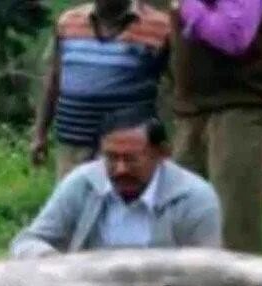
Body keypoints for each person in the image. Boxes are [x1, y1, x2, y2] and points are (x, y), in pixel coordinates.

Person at [10, 107, 221, 258]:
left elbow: (209, 269)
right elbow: (26, 243)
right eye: (111, 158)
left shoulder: (195, 197)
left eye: (131, 159)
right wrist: (54, 261)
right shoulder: (83, 183)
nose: (120, 169)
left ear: (163, 153)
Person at [168, 0, 262, 256]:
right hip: (191, 112)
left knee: (234, 234)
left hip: (239, 110)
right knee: (179, 227)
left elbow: (233, 36)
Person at [30, 0, 172, 180]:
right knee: (76, 203)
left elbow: (176, 87)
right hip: (74, 144)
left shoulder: (160, 27)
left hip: (128, 149)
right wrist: (39, 133)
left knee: (126, 205)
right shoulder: (68, 22)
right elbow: (54, 80)